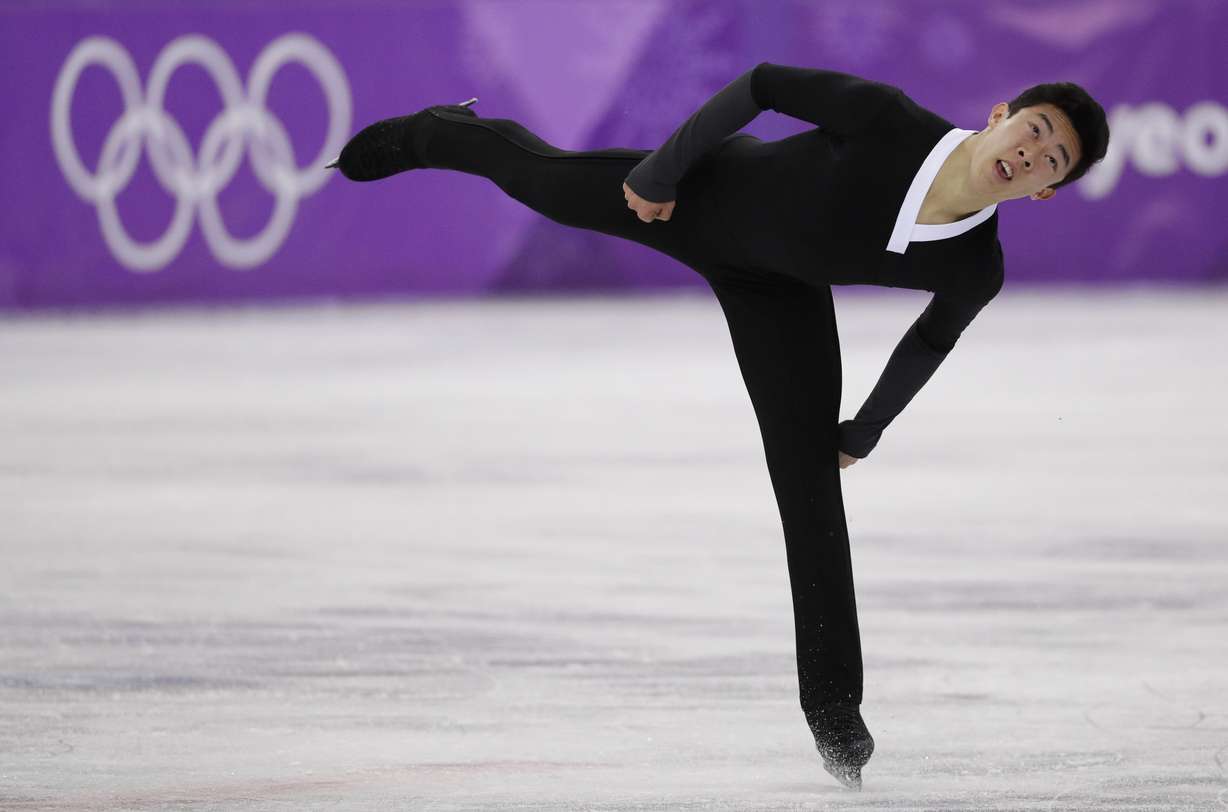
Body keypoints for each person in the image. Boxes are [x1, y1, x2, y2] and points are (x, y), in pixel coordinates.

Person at [328, 61, 1110, 790]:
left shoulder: (976, 264)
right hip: (697, 197)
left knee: (809, 487)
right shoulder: (890, 121)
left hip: (781, 295)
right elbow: (763, 84)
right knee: (540, 180)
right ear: (1002, 115)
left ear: (1046, 193)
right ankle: (438, 132)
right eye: (1035, 130)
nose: (1033, 154)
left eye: (1053, 162)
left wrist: (865, 428)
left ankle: (833, 705)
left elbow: (933, 336)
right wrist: (662, 170)